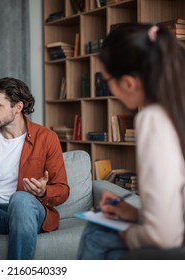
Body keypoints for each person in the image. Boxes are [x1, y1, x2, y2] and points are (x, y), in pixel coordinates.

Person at [77, 23, 185, 259]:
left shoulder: (155, 119)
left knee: (97, 232)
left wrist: (129, 235)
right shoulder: (176, 109)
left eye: (108, 81)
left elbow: (165, 236)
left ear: (128, 82)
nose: (112, 90)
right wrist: (135, 214)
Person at [0, 77, 70, 260]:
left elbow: (63, 190)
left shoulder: (46, 138)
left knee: (21, 199)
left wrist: (43, 191)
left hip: (27, 213)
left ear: (18, 107)